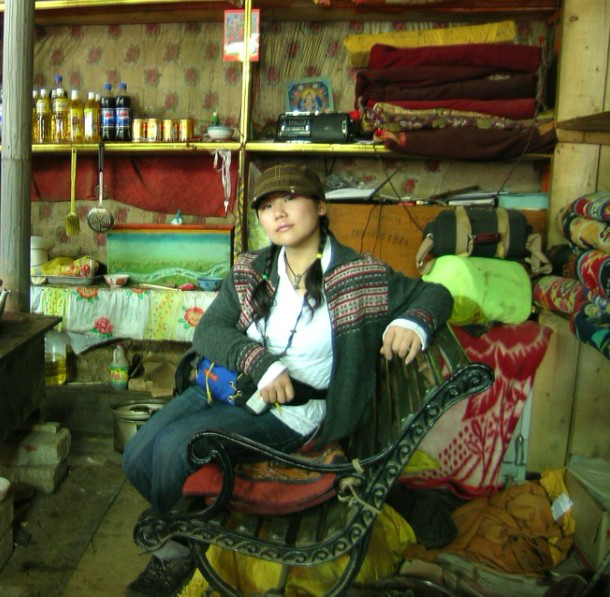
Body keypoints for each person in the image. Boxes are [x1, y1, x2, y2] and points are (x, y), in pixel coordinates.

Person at [122, 163, 453, 597]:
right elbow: (210, 330)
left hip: (291, 414)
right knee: (136, 454)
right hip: (231, 388)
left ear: (320, 206)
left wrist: (413, 321)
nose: (277, 212)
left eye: (291, 198)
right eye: (266, 205)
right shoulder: (252, 269)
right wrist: (261, 362)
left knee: (172, 450)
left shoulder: (357, 276)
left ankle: (175, 551)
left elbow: (435, 293)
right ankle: (187, 529)